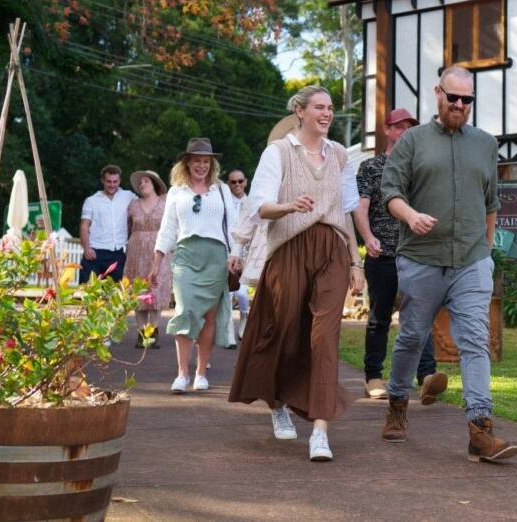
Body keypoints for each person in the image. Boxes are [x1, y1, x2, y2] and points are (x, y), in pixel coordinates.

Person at [379, 66, 517, 463]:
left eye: (467, 100)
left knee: (475, 341)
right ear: (438, 93)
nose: (460, 105)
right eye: (453, 97)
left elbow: (491, 202)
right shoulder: (412, 142)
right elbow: (390, 192)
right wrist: (409, 216)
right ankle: (397, 402)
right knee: (411, 337)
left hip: (471, 260)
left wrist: (488, 251)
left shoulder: (486, 144)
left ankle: (481, 429)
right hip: (422, 260)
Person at [229, 85, 363, 463]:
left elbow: (347, 213)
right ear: (300, 111)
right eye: (319, 107)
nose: (327, 113)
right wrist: (288, 206)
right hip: (289, 248)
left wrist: (356, 262)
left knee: (325, 336)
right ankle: (276, 402)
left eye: (331, 108)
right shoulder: (278, 153)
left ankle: (320, 431)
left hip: (332, 250)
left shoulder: (339, 155)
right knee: (281, 331)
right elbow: (260, 207)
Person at [354, 107, 439, 400]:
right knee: (380, 317)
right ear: (387, 131)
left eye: (409, 127)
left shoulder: (421, 167)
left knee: (420, 316)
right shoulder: (370, 168)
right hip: (383, 253)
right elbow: (360, 207)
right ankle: (374, 377)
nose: (404, 132)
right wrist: (368, 238)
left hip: (416, 253)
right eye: (399, 127)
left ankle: (427, 375)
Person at [154, 138, 233, 394]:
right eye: (197, 160)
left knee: (208, 316)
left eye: (206, 161)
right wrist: (157, 262)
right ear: (187, 163)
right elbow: (167, 228)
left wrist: (237, 255)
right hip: (186, 255)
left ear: (212, 164)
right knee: (185, 311)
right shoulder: (176, 191)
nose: (201, 165)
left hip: (216, 256)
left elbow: (233, 225)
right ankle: (182, 374)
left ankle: (201, 372)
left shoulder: (222, 190)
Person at [125, 170, 170, 348]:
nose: (142, 184)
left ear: (154, 183)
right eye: (140, 183)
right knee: (139, 292)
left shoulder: (166, 203)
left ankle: (154, 331)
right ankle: (141, 333)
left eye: (146, 181)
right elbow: (128, 227)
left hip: (159, 251)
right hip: (136, 252)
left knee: (157, 290)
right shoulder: (133, 205)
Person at [79, 165, 134, 283]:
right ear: (102, 180)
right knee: (88, 292)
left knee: (115, 294)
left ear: (119, 181)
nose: (112, 185)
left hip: (118, 253)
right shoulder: (91, 201)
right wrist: (86, 248)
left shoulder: (128, 196)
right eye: (108, 181)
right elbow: (84, 226)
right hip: (95, 253)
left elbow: (145, 203)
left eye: (115, 181)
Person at [222, 169, 252, 346]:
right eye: (233, 182)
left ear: (246, 182)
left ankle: (244, 316)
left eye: (240, 181)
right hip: (227, 251)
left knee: (241, 293)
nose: (237, 185)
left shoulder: (252, 202)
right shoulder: (225, 203)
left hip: (247, 253)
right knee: (227, 293)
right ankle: (228, 332)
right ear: (228, 184)